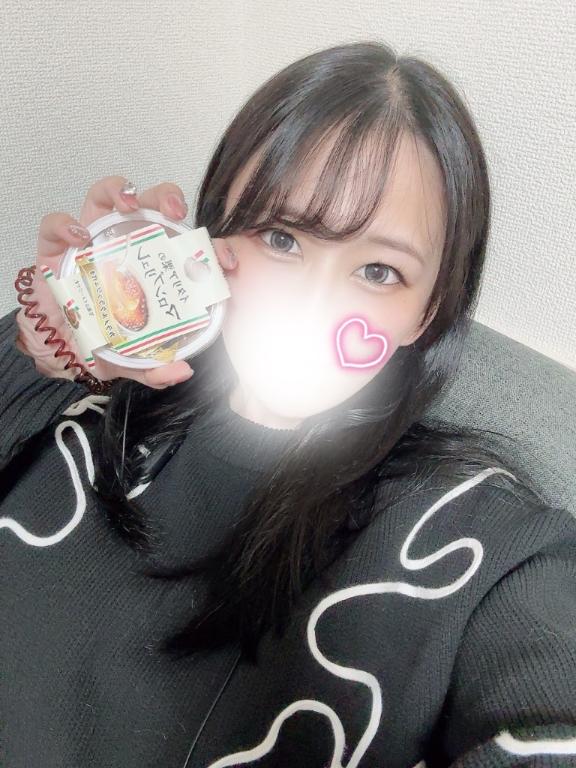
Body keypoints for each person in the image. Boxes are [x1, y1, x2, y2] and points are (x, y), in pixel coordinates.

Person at [2, 40, 576, 768]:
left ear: (428, 313)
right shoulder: (67, 392)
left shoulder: (483, 544)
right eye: (281, 237)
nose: (311, 302)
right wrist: (42, 353)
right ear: (211, 237)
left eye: (379, 271)